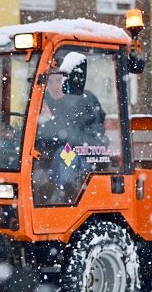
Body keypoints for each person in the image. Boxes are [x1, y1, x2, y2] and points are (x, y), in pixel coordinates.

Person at [33, 54, 108, 204]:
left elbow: (93, 136)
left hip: (86, 154)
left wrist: (52, 122)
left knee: (65, 154)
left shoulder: (85, 100)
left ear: (68, 80)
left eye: (59, 81)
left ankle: (62, 198)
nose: (54, 86)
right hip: (49, 154)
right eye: (50, 81)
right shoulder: (41, 99)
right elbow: (36, 134)